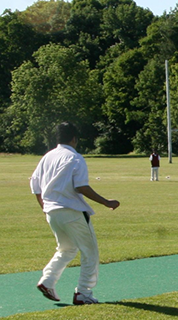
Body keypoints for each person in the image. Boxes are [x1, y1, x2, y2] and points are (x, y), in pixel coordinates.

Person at [30, 122, 121, 305]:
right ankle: (84, 293)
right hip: (71, 211)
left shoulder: (47, 157)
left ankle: (47, 281)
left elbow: (35, 185)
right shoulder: (75, 157)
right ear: (74, 138)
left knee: (67, 249)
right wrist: (106, 202)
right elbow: (80, 186)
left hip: (52, 212)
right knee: (90, 252)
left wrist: (45, 207)